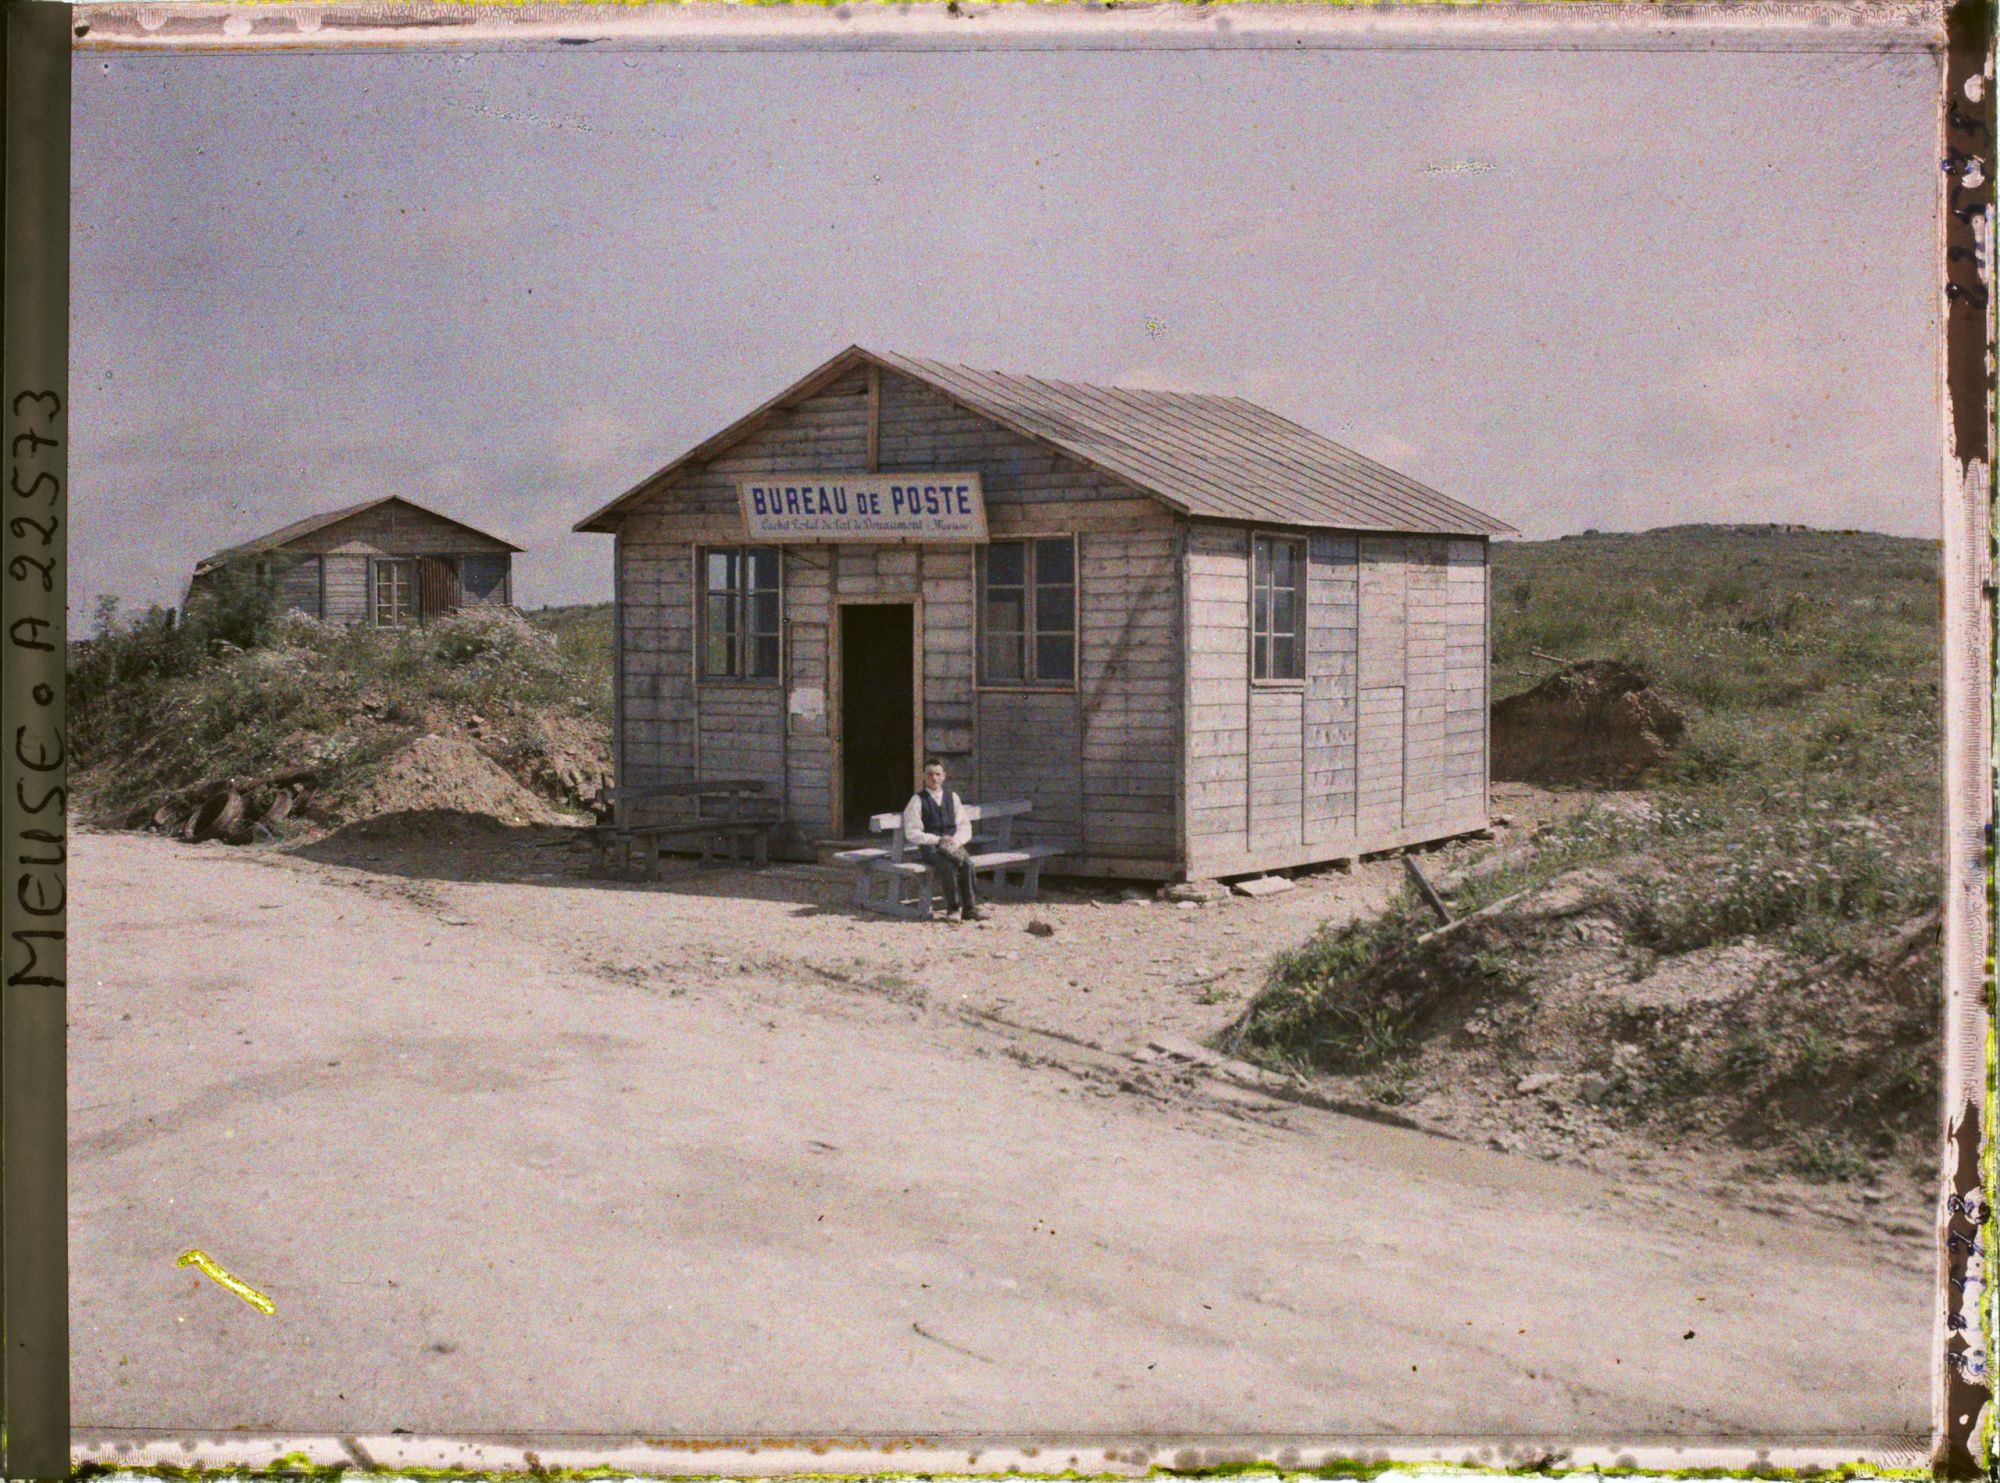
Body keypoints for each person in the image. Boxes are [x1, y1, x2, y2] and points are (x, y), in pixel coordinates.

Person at [902, 759, 989, 922]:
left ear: (944, 776)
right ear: (923, 776)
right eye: (930, 774)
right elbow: (912, 832)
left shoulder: (952, 797)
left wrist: (956, 841)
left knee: (967, 864)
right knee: (948, 865)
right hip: (931, 848)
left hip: (952, 845)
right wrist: (937, 839)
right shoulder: (917, 800)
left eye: (938, 774)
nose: (934, 778)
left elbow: (964, 825)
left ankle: (970, 908)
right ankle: (953, 909)